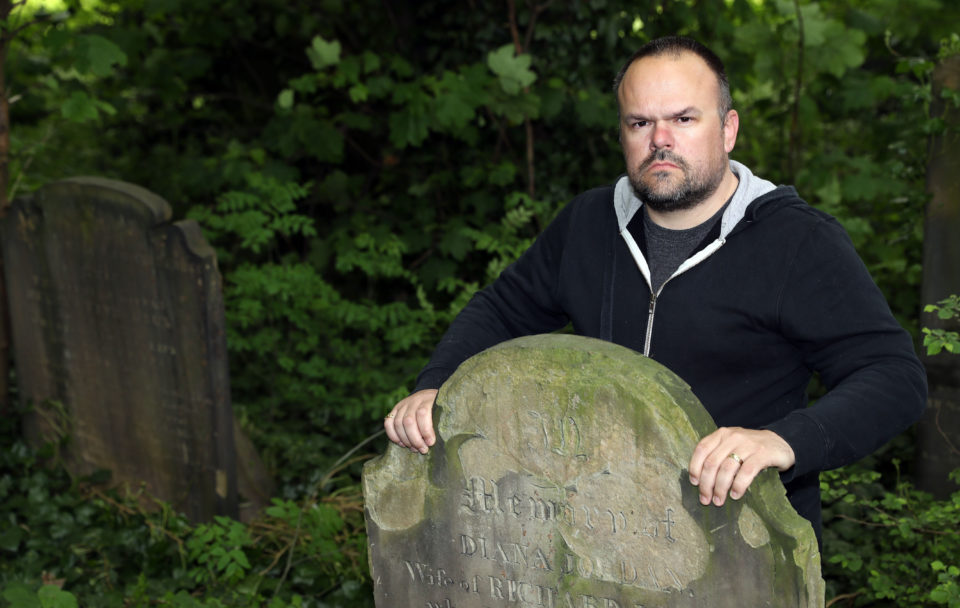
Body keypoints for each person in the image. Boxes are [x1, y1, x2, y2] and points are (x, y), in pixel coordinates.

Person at [383, 35, 927, 548]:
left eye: (684, 119)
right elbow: (502, 310)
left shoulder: (796, 242)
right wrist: (437, 385)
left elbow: (894, 376)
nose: (660, 139)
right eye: (640, 122)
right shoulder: (588, 224)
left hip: (739, 546)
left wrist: (783, 441)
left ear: (728, 128)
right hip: (597, 533)